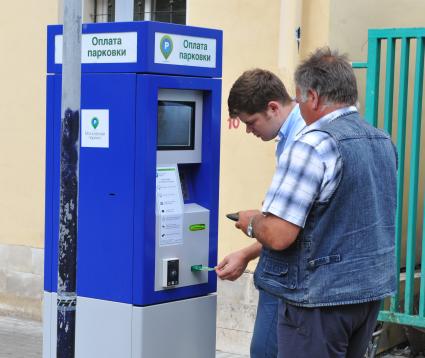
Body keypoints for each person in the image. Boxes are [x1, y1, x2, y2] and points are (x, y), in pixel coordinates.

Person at [230, 47, 397, 358]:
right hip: (368, 292)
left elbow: (280, 234)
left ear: (314, 97)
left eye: (300, 99)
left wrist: (253, 222)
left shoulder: (313, 143)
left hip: (319, 298)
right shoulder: (381, 140)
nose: (299, 108)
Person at [216, 68, 305, 358]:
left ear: (273, 108)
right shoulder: (292, 136)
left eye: (250, 122)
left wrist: (253, 223)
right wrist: (246, 254)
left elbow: (283, 231)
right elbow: (291, 221)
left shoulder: (303, 143)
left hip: (288, 277)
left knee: (265, 350)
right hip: (292, 273)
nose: (248, 130)